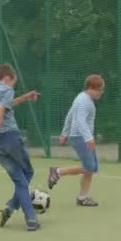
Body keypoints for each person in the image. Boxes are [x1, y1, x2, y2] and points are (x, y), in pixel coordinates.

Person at [0, 63, 41, 231]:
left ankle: (11, 211)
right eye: (13, 82)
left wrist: (25, 97)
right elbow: (0, 112)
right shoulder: (7, 90)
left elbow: (5, 106)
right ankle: (29, 218)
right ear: (7, 78)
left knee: (19, 179)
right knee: (27, 173)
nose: (13, 87)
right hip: (8, 138)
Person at [47, 74, 105, 207]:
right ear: (91, 88)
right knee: (89, 167)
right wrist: (88, 138)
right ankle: (58, 172)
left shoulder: (83, 99)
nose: (101, 92)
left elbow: (70, 115)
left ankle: (82, 198)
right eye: (99, 89)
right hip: (81, 138)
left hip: (82, 137)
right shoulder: (83, 101)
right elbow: (79, 121)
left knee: (92, 168)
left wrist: (64, 132)